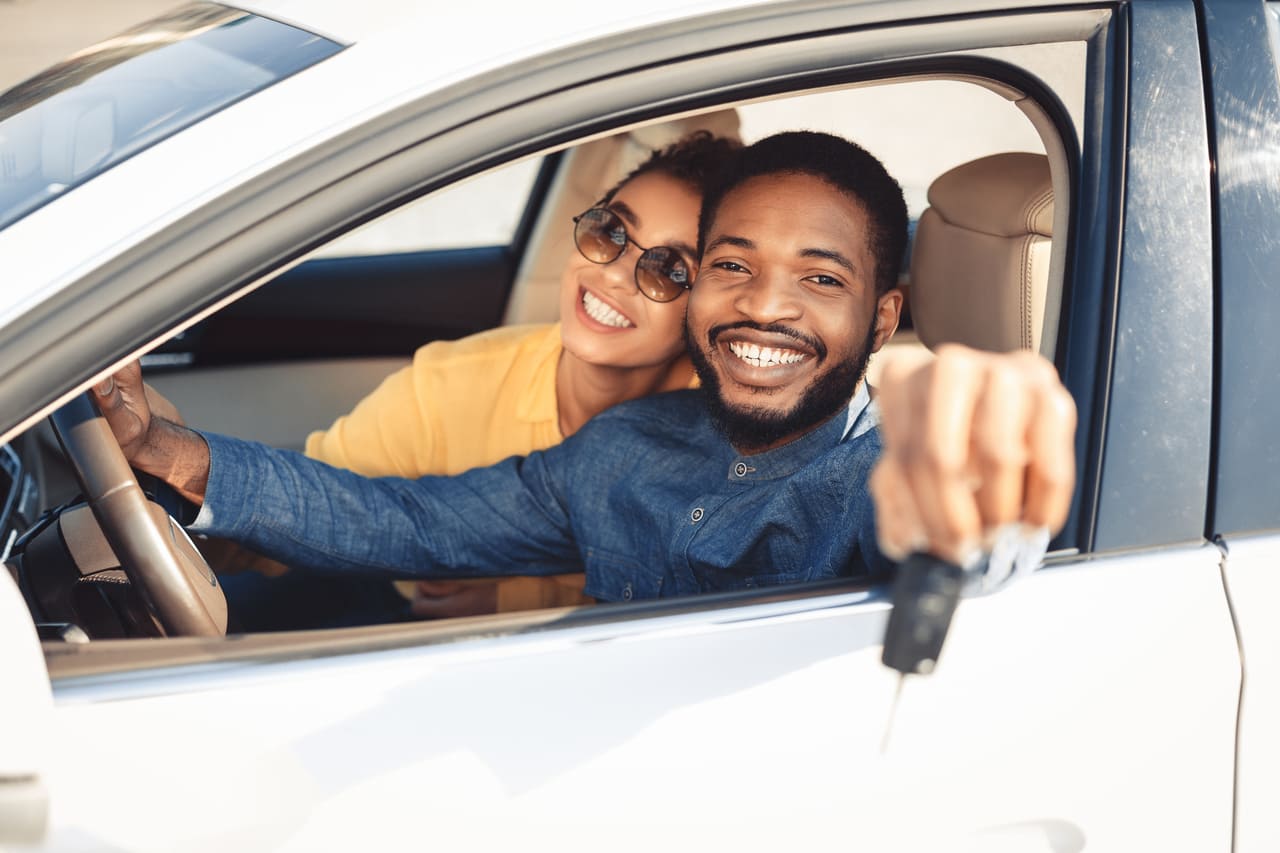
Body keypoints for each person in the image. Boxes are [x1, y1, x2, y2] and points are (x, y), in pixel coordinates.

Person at [96, 131, 1077, 604]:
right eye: (730, 265)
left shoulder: (880, 467)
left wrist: (979, 485)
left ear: (883, 316)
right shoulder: (618, 452)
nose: (764, 305)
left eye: (818, 278)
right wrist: (170, 451)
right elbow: (406, 519)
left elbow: (954, 546)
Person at [216, 130, 741, 627]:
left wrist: (511, 600)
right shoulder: (452, 382)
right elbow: (308, 504)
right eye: (611, 233)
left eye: (669, 270)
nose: (610, 274)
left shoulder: (734, 442)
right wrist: (178, 492)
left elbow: (713, 610)